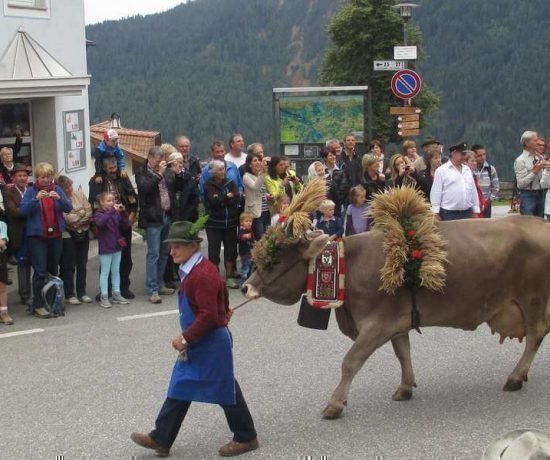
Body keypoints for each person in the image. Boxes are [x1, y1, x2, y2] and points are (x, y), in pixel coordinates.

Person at [130, 221, 258, 458]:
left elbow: (208, 316)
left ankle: (246, 436)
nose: (172, 251)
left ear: (193, 246)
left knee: (225, 388)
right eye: (171, 247)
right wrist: (223, 308)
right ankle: (161, 438)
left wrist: (186, 337)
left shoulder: (202, 274)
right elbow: (219, 296)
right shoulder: (195, 268)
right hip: (202, 339)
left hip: (210, 341)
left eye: (177, 246)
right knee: (181, 385)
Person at [20, 162, 72, 318]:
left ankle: (51, 302)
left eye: (48, 177)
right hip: (38, 237)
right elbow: (22, 211)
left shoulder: (57, 189)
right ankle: (37, 305)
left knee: (52, 270)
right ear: (37, 177)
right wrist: (35, 199)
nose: (45, 180)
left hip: (55, 236)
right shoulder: (30, 191)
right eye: (42, 177)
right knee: (40, 272)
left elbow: (68, 207)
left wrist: (59, 199)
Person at [88, 156, 138, 299]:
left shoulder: (123, 177)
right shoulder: (96, 181)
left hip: (123, 221)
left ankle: (123, 287)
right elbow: (94, 203)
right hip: (106, 225)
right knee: (107, 259)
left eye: (115, 166)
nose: (113, 169)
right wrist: (96, 224)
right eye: (110, 168)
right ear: (103, 168)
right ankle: (106, 289)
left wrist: (132, 214)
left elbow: (132, 197)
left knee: (125, 257)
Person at [136, 146, 176, 304]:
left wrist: (174, 171)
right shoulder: (141, 172)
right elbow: (145, 188)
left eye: (162, 160)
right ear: (150, 158)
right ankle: (152, 289)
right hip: (153, 218)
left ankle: (160, 284)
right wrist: (159, 174)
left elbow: (172, 186)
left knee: (164, 252)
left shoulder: (165, 170)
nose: (160, 163)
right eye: (158, 160)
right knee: (153, 254)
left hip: (167, 215)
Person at [204, 160, 241, 289]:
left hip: (230, 222)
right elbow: (213, 202)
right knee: (213, 251)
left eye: (223, 169)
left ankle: (229, 276)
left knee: (230, 250)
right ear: (213, 172)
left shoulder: (231, 183)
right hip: (213, 223)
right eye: (219, 169)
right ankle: (215, 278)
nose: (222, 172)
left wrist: (222, 198)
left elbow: (236, 198)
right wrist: (227, 197)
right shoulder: (208, 184)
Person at [57, 176, 93, 305]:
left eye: (70, 186)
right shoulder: (59, 198)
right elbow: (66, 219)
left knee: (82, 264)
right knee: (69, 265)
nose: (69, 189)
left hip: (83, 231)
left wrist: (78, 219)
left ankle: (82, 292)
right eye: (66, 187)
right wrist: (81, 215)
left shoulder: (79, 194)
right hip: (68, 234)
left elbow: (89, 211)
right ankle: (69, 294)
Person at [94, 192, 130, 308]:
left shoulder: (115, 213)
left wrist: (123, 212)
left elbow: (125, 225)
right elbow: (100, 223)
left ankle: (116, 293)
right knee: (105, 272)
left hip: (117, 245)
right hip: (106, 247)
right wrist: (111, 211)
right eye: (109, 201)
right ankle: (104, 296)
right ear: (102, 203)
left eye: (113, 200)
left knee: (116, 271)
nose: (112, 203)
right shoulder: (99, 214)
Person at [430, 142, 480, 221]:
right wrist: (435, 213)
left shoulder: (467, 170)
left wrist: (476, 210)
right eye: (462, 154)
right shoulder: (441, 171)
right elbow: (436, 192)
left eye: (465, 154)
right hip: (449, 214)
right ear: (454, 153)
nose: (464, 156)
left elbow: (473, 191)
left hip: (467, 212)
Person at [5, 163, 31, 306]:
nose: (22, 178)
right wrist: (30, 208)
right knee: (23, 263)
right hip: (19, 233)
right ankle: (25, 295)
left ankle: (37, 292)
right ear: (13, 178)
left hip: (34, 232)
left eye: (25, 175)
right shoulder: (8, 192)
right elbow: (13, 211)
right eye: (19, 176)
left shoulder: (32, 190)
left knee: (37, 264)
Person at [514, 131, 545, 217]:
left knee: (540, 223)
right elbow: (520, 184)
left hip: (541, 194)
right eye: (535, 140)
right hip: (528, 195)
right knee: (528, 223)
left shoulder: (539, 157)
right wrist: (535, 172)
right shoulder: (520, 160)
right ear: (527, 143)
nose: (538, 142)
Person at [243, 147, 269, 239]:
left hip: (265, 210)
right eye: (255, 161)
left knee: (267, 238)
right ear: (249, 165)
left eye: (259, 160)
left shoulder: (261, 175)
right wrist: (263, 172)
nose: (258, 162)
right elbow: (255, 187)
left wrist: (267, 195)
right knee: (259, 239)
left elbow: (261, 191)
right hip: (255, 212)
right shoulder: (246, 176)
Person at [174, 135, 201, 221]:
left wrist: (198, 178)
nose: (184, 148)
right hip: (179, 201)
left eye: (186, 146)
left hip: (192, 202)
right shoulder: (172, 162)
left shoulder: (194, 161)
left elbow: (199, 174)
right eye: (182, 146)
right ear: (176, 147)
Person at [472, 144, 500, 218]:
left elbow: (496, 187)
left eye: (484, 155)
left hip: (486, 203)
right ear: (474, 156)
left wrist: (489, 200)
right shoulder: (469, 170)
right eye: (479, 155)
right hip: (473, 204)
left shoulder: (490, 169)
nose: (483, 157)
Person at [320, 145, 347, 217]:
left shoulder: (340, 171)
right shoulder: (320, 171)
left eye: (334, 155)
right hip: (322, 207)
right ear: (325, 158)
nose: (333, 157)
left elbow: (343, 189)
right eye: (330, 155)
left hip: (337, 207)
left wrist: (336, 202)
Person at [463, 151, 487, 217]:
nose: (475, 163)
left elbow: (478, 192)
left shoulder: (473, 175)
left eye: (475, 161)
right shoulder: (463, 177)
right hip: (470, 210)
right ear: (464, 162)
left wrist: (482, 203)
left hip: (479, 208)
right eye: (472, 161)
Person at [238, 212, 255, 287]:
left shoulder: (250, 229)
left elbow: (252, 239)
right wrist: (244, 236)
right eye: (246, 221)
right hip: (245, 253)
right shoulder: (242, 230)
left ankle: (248, 279)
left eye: (250, 221)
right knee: (245, 268)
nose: (249, 223)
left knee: (250, 266)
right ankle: (243, 281)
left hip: (250, 252)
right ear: (241, 222)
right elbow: (239, 237)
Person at [0, 220, 12, 325]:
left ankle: (4, 313)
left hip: (0, 259)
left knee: (2, 287)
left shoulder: (2, 224)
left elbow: (2, 242)